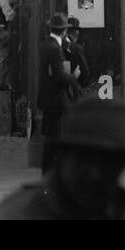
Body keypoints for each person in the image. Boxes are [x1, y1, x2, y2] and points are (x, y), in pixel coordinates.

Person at [0, 98, 125, 221]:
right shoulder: (18, 213)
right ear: (64, 157)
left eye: (110, 163)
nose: (95, 174)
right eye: (86, 159)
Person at [38, 13, 81, 172]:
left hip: (47, 98)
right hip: (57, 100)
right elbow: (58, 75)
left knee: (51, 140)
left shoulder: (45, 46)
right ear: (63, 31)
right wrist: (73, 77)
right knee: (56, 139)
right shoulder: (55, 49)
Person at [63, 17, 91, 89]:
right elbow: (85, 72)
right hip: (75, 86)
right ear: (76, 31)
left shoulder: (60, 44)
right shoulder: (77, 48)